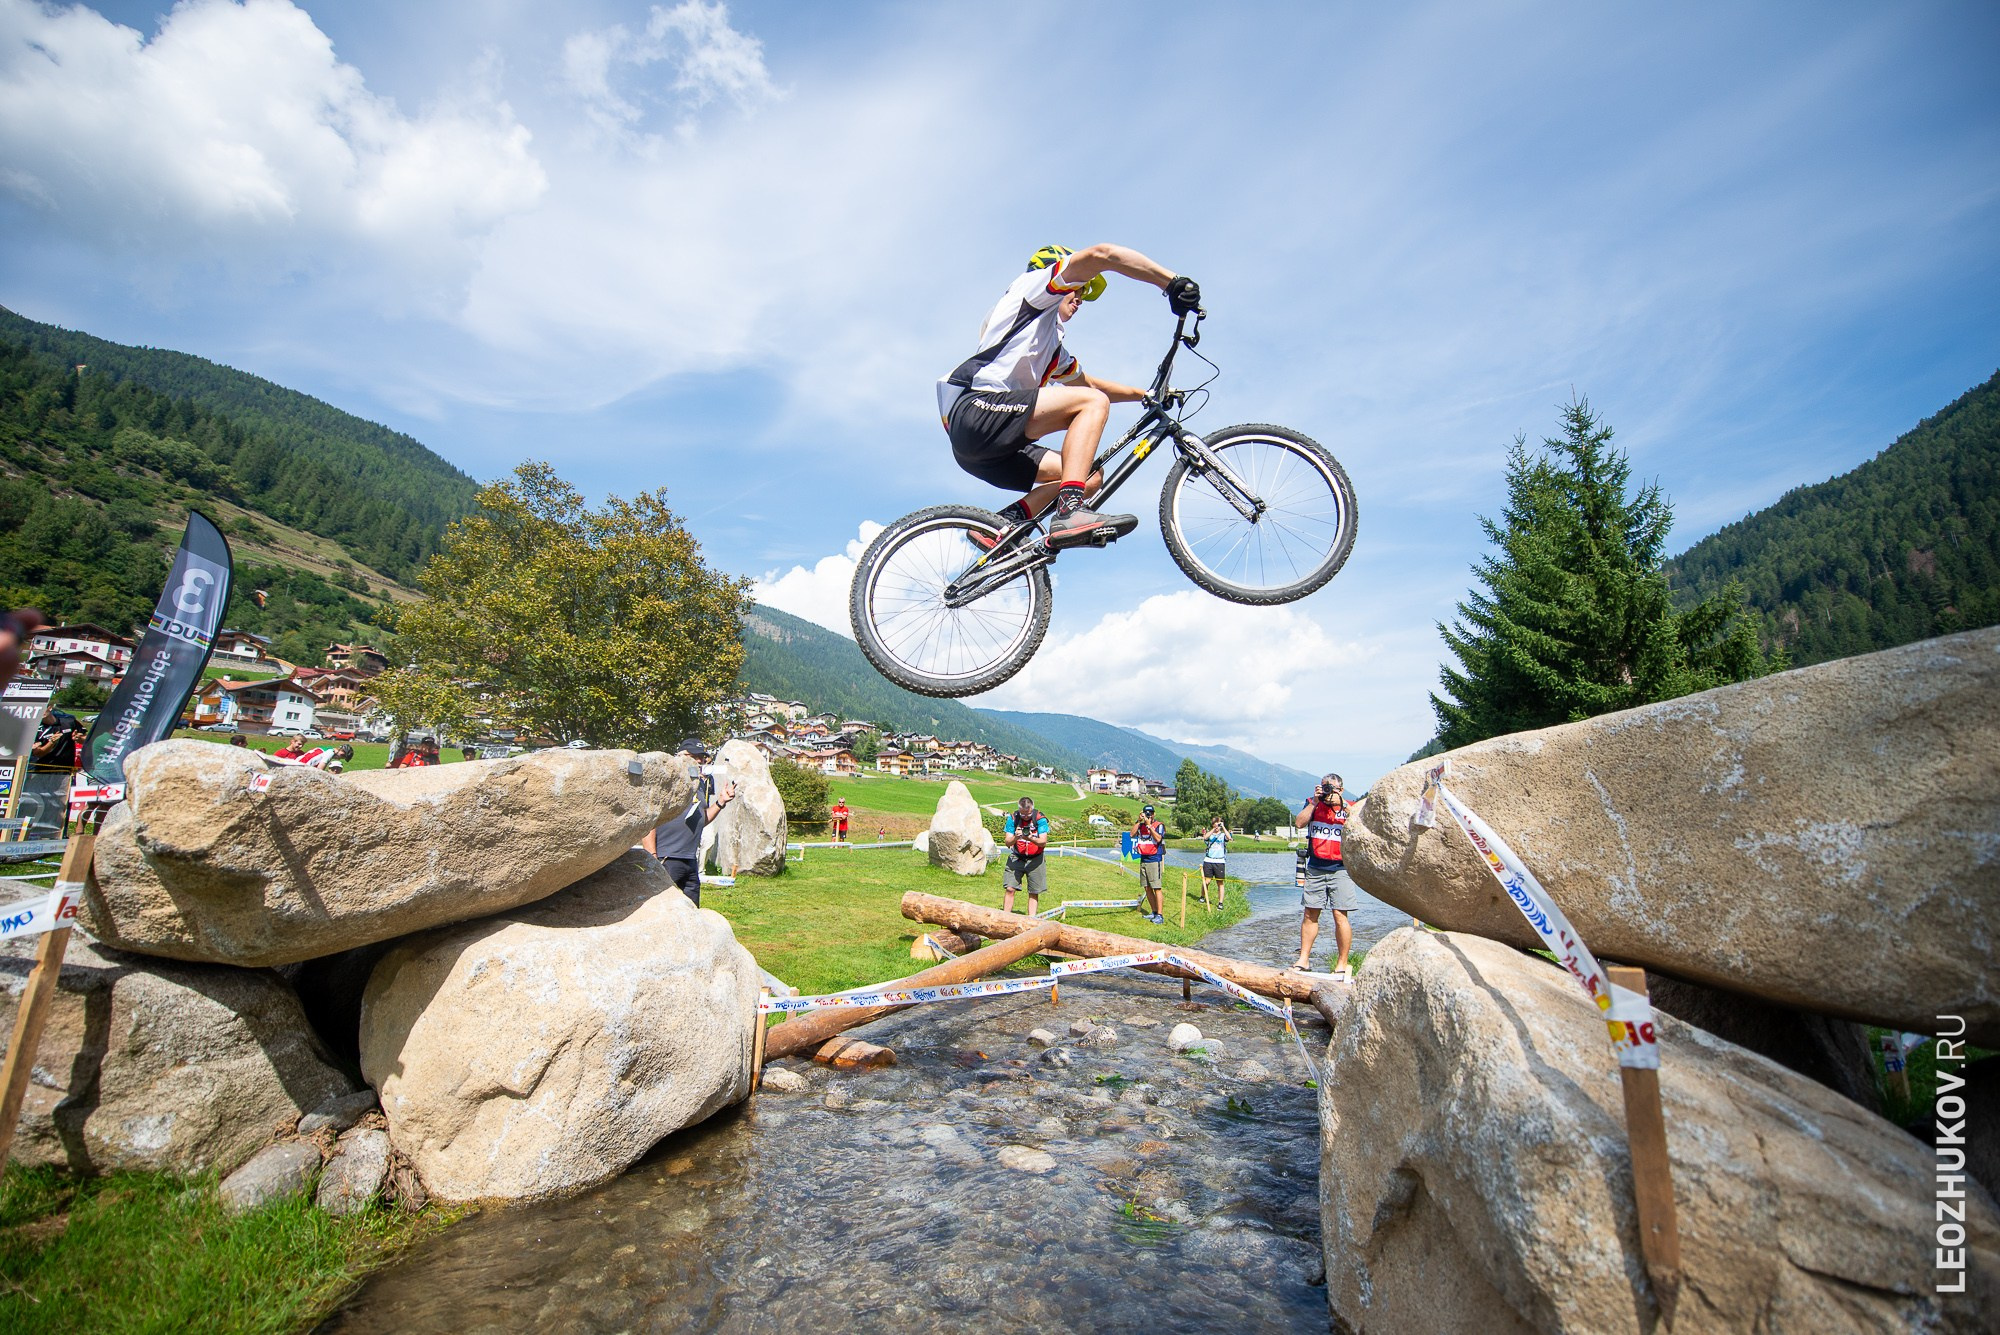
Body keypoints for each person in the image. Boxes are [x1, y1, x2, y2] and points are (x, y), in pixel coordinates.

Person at [938, 244, 1200, 551]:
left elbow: (1087, 384)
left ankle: (1004, 526)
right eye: (1078, 287)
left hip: (986, 450)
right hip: (977, 411)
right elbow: (1102, 255)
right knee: (1091, 403)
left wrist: (1146, 394)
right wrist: (1170, 282)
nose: (1080, 297)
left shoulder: (1049, 342)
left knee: (1088, 476)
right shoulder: (1032, 288)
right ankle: (1070, 513)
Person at [643, 737, 736, 907]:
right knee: (659, 907)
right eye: (693, 756)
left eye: (701, 757)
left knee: (693, 912)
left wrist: (721, 802)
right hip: (666, 858)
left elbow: (701, 819)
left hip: (689, 859)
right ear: (679, 756)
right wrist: (652, 857)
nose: (699, 760)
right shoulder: (666, 783)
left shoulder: (698, 786)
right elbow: (649, 821)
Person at [1292, 773, 1355, 977]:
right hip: (1316, 866)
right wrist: (1315, 802)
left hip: (1341, 868)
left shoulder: (1349, 807)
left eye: (1332, 788)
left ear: (1341, 790)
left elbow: (1361, 822)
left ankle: (1342, 963)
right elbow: (1299, 823)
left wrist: (1342, 803)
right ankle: (1304, 959)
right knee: (1310, 913)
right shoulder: (1312, 803)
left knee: (1340, 915)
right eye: (1324, 787)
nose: (1329, 792)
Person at [1002, 795, 1050, 917]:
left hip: (1035, 859)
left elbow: (1043, 841)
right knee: (1010, 888)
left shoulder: (1040, 818)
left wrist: (1029, 837)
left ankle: (1031, 919)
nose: (1025, 817)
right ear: (1019, 810)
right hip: (1017, 857)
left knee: (1034, 891)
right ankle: (1005, 917)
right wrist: (1016, 837)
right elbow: (1007, 842)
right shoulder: (1013, 818)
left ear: (1032, 810)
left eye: (1028, 814)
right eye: (1022, 814)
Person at [1131, 804, 1168, 924]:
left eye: (1150, 813)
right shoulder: (1140, 825)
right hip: (1143, 859)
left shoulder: (1159, 825)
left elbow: (1158, 839)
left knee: (1156, 887)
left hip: (1154, 859)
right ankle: (1154, 911)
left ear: (1153, 814)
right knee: (1147, 888)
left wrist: (1149, 826)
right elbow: (1131, 834)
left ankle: (1160, 915)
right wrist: (1138, 821)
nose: (1148, 815)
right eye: (1146, 813)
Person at [1200, 816, 1231, 907]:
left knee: (1220, 883)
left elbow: (1228, 838)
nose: (1217, 826)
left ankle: (1220, 903)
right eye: (1215, 824)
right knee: (1207, 881)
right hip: (1209, 860)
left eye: (1218, 824)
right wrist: (1213, 829)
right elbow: (1205, 837)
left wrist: (1223, 827)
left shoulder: (1222, 835)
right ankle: (1202, 896)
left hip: (1220, 861)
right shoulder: (1211, 834)